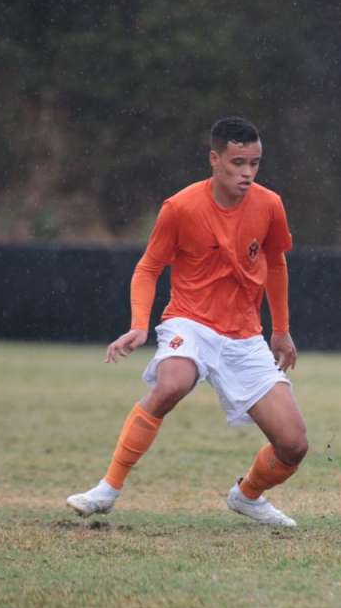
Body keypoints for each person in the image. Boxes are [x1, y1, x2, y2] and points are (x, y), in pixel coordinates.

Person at [66, 117, 308, 526]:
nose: (247, 172)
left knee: (294, 445)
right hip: (190, 323)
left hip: (244, 335)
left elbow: (276, 263)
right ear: (214, 160)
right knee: (172, 383)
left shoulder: (270, 205)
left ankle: (247, 495)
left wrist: (280, 329)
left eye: (254, 163)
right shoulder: (180, 208)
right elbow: (148, 267)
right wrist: (140, 325)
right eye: (237, 162)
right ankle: (107, 489)